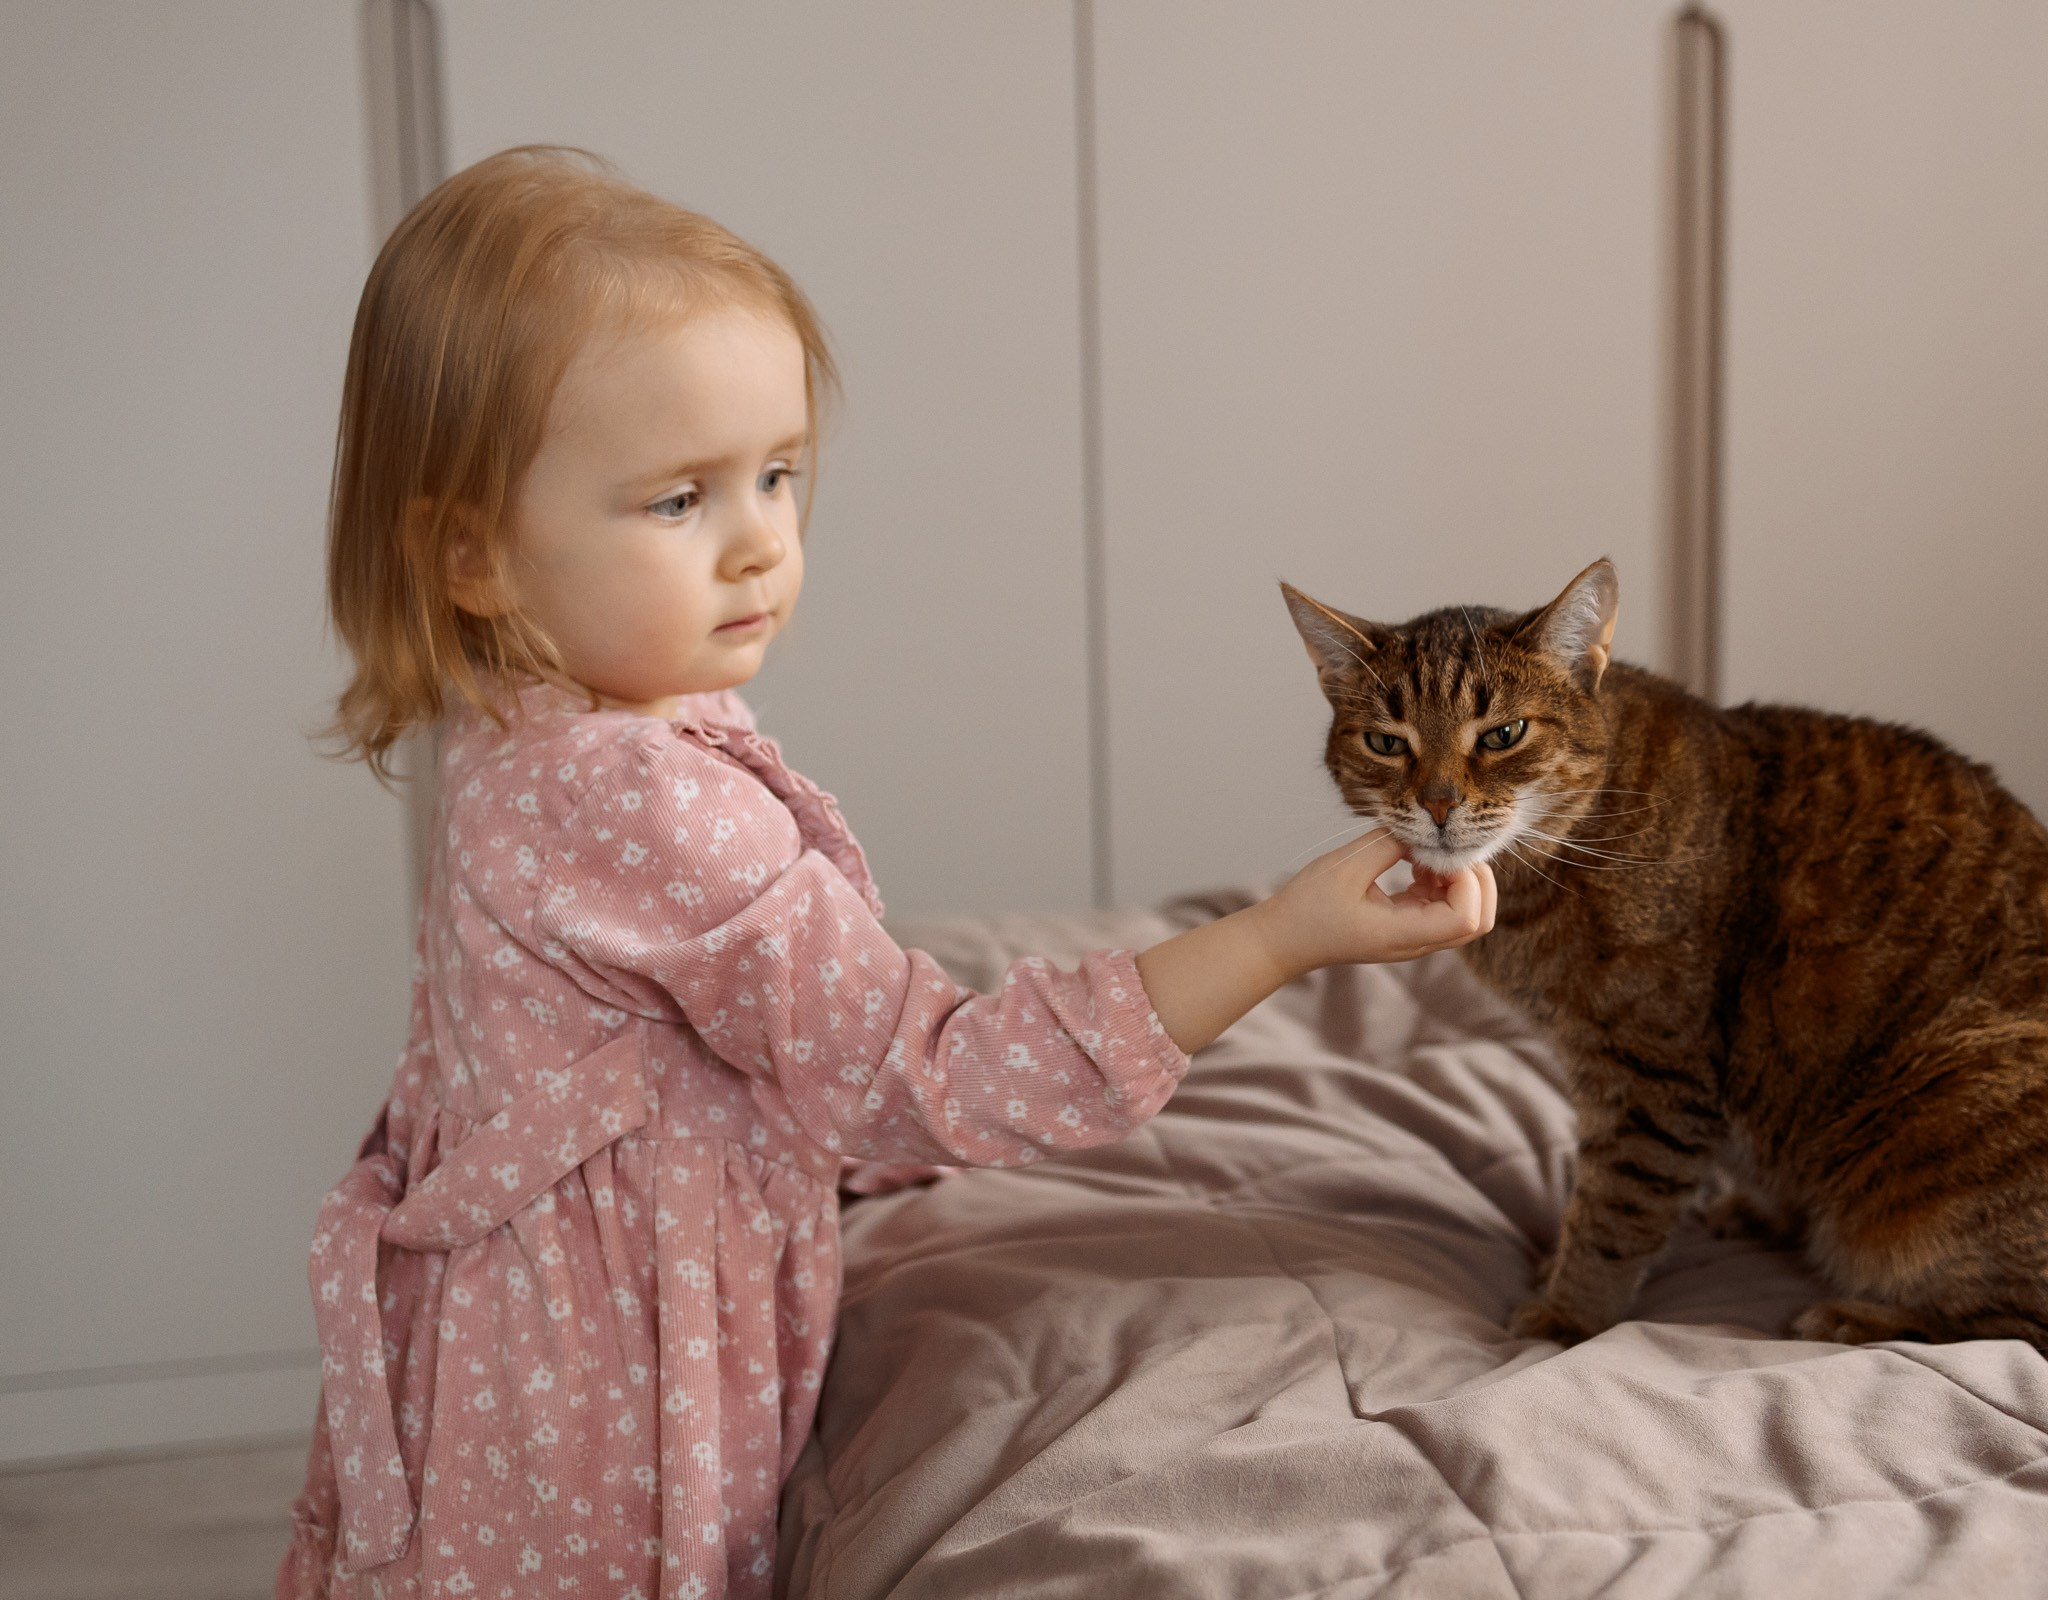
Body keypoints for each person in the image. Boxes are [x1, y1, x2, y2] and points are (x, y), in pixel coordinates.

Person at [277, 146, 1496, 1600]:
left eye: (779, 475)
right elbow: (930, 1075)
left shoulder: (532, 722)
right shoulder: (639, 797)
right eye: (679, 502)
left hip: (500, 1341)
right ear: (472, 555)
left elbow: (678, 1041)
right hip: (591, 1405)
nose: (760, 545)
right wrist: (1282, 935)